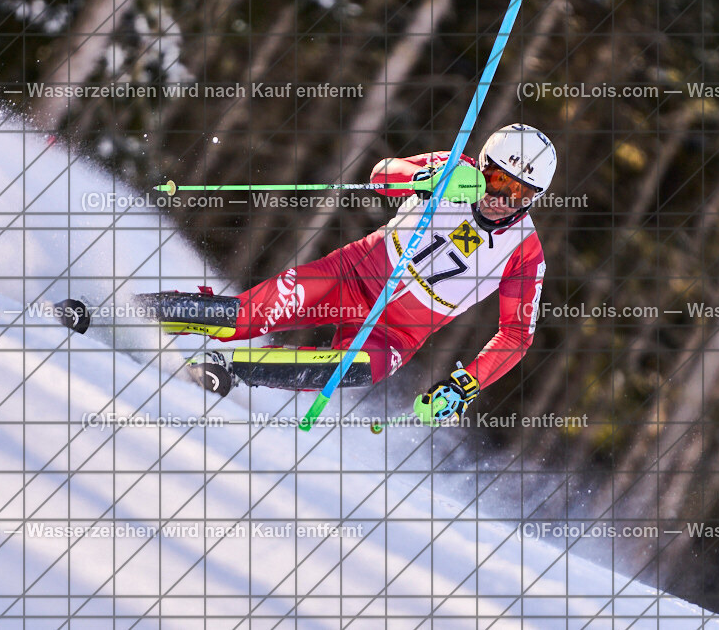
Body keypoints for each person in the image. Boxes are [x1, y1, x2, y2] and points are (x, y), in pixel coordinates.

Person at [155, 123, 555, 426]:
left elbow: (517, 334)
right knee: (245, 317)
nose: (503, 199)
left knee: (349, 367)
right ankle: (134, 310)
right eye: (500, 180)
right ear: (484, 166)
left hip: (399, 332)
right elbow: (382, 173)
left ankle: (230, 369)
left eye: (521, 193)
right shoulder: (456, 169)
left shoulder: (525, 251)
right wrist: (424, 179)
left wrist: (466, 384)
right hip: (352, 275)